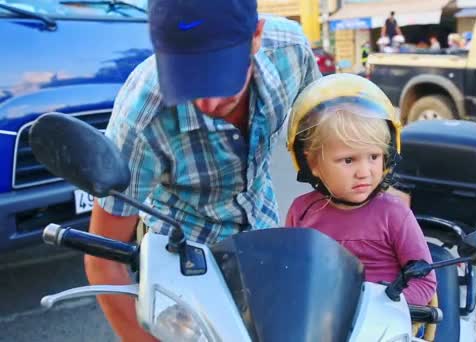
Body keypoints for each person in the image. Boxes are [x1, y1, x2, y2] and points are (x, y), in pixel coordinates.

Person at [85, 0, 321, 340]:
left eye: (220, 76)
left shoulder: (291, 53)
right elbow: (102, 256)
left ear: (256, 37)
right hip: (183, 263)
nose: (207, 104)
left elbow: (323, 139)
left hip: (268, 242)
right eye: (189, 79)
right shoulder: (142, 116)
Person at [284, 74, 437, 307]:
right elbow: (289, 269)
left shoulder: (394, 213)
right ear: (313, 163)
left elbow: (424, 282)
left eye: (374, 157)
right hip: (319, 321)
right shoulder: (301, 211)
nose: (364, 172)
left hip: (382, 325)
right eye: (348, 160)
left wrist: (383, 305)